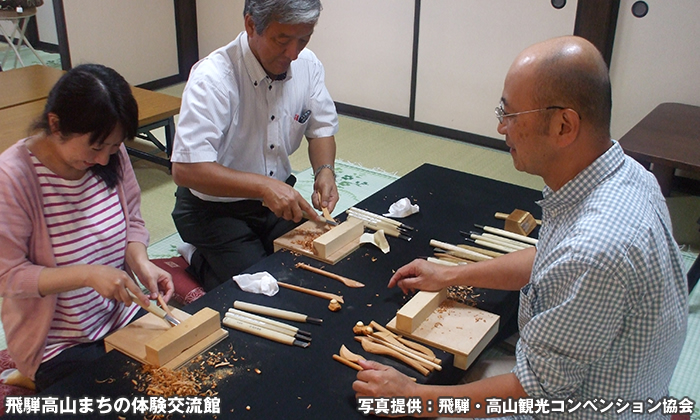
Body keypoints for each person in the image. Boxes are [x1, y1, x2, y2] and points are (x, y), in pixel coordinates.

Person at [353, 36, 688, 418]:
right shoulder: (623, 174)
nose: (501, 128)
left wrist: (411, 397)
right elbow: (551, 259)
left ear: (564, 125)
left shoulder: (594, 249)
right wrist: (449, 275)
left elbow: (532, 391)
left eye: (510, 116)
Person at [0, 64, 174, 391]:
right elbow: (7, 277)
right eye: (96, 148)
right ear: (56, 124)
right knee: (122, 396)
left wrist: (140, 262)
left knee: (179, 377)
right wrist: (87, 274)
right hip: (57, 343)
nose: (106, 160)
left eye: (113, 147)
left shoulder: (109, 149)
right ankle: (29, 376)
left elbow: (133, 221)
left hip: (120, 315)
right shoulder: (13, 177)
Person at [170, 0, 339, 292]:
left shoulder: (307, 65)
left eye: (303, 39)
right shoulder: (213, 78)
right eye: (282, 40)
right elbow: (185, 169)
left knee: (313, 269)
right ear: (251, 25)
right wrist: (262, 187)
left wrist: (325, 172)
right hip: (214, 209)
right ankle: (194, 257)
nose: (293, 53)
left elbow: (320, 127)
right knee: (257, 289)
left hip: (277, 201)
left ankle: (242, 252)